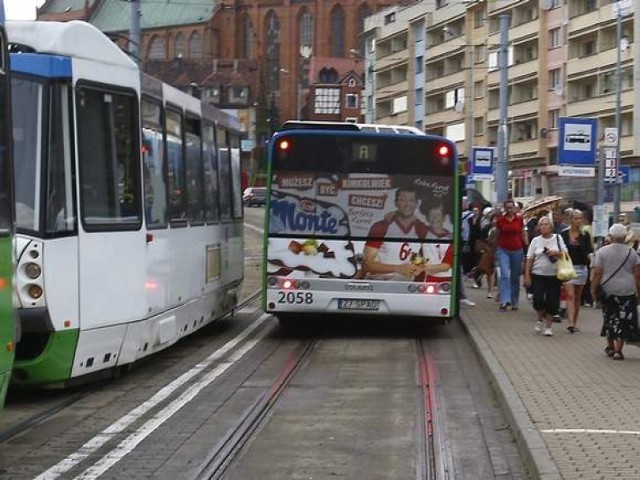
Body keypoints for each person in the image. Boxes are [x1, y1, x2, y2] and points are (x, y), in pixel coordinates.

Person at [361, 187, 449, 281]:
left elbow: (440, 236)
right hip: (379, 285)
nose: (407, 205)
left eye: (411, 201)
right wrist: (398, 269)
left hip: (408, 288)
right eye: (403, 200)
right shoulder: (381, 227)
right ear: (396, 203)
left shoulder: (422, 229)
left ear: (416, 204)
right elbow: (367, 264)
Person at [590, 223, 640, 361]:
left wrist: (593, 289)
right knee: (623, 320)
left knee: (609, 318)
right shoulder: (633, 253)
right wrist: (639, 292)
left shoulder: (602, 252)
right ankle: (618, 350)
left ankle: (610, 346)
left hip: (608, 290)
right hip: (627, 291)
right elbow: (637, 275)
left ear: (610, 236)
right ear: (624, 237)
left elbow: (598, 273)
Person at [523, 216, 568, 336]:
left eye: (546, 224)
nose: (543, 227)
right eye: (541, 225)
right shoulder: (535, 241)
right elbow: (529, 258)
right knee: (538, 299)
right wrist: (527, 274)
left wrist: (555, 253)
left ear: (551, 226)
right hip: (538, 274)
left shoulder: (558, 238)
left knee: (552, 301)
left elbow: (565, 254)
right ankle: (539, 318)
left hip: (554, 275)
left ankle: (548, 326)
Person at [560, 210, 594, 333]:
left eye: (580, 218)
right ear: (571, 220)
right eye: (576, 218)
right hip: (568, 268)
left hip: (582, 267)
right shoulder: (563, 234)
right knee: (570, 295)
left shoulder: (585, 234)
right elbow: (560, 250)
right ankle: (570, 322)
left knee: (578, 297)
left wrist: (592, 259)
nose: (579, 221)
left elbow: (589, 250)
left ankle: (574, 322)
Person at [495, 199, 528, 310]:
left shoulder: (519, 219)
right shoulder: (500, 220)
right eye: (507, 207)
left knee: (515, 277)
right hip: (503, 249)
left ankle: (514, 301)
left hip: (517, 249)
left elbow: (523, 233)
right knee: (504, 275)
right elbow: (497, 235)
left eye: (511, 207)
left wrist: (526, 247)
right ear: (505, 208)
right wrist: (495, 249)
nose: (509, 209)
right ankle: (505, 300)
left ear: (514, 208)